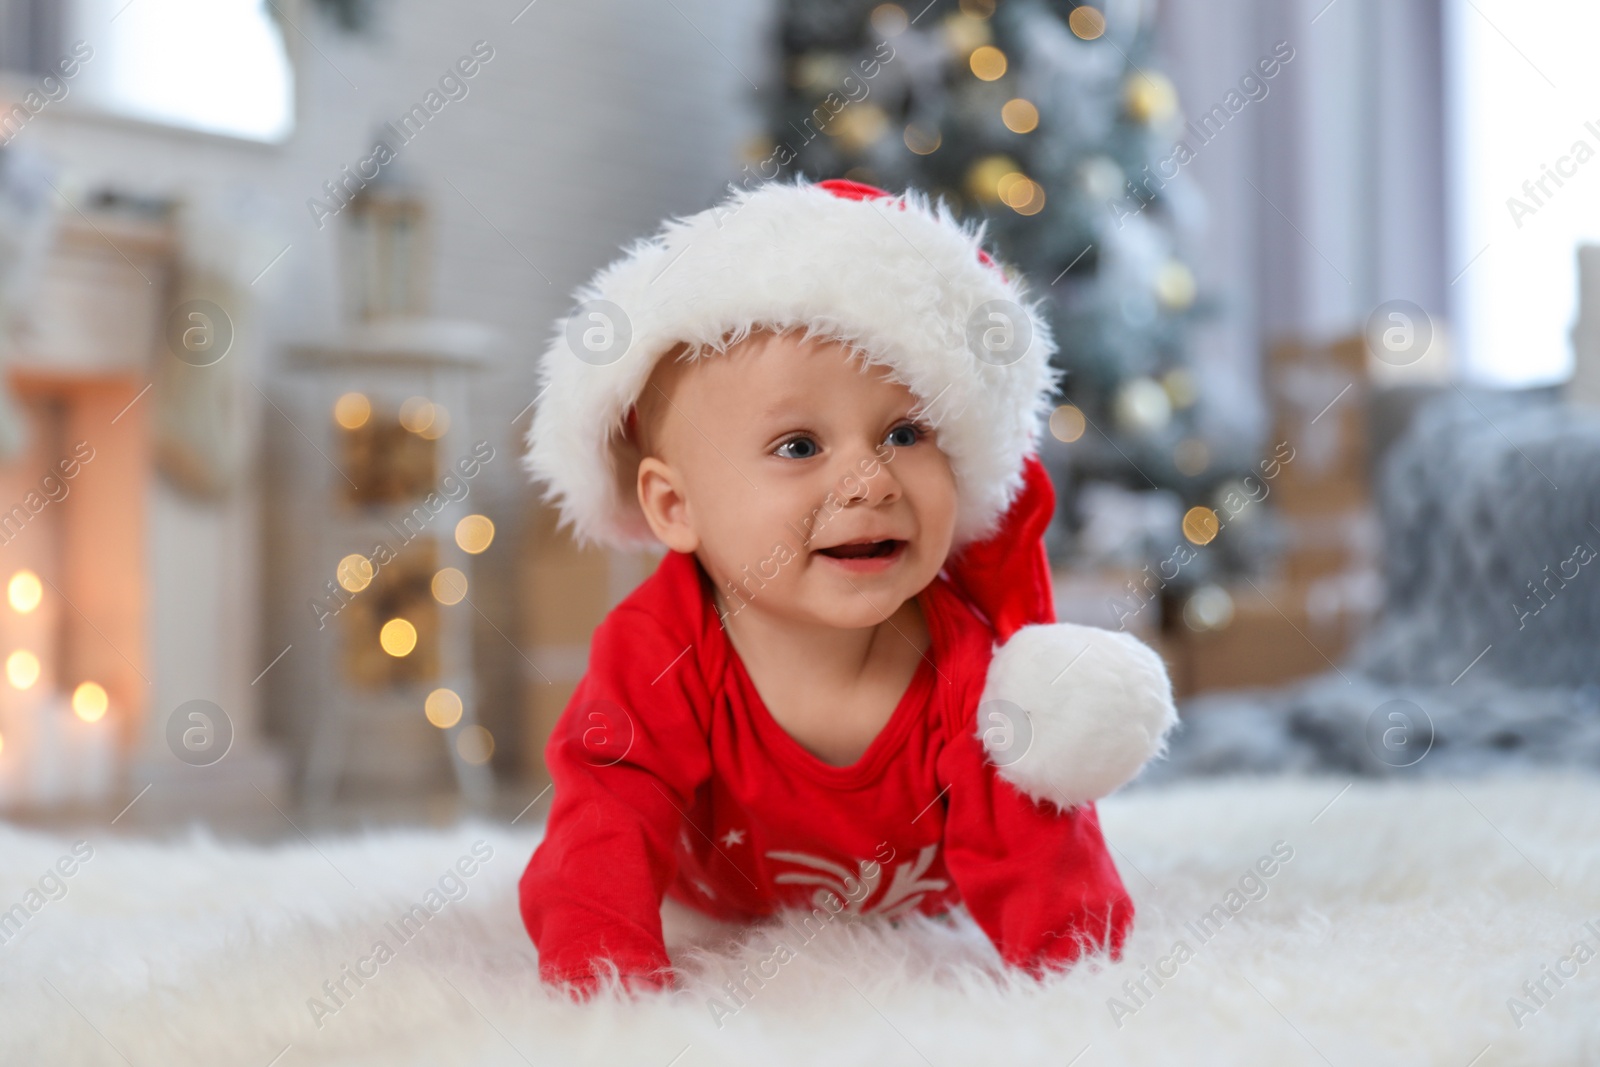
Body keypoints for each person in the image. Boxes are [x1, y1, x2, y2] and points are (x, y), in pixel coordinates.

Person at [518, 176, 1177, 998]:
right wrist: (604, 986)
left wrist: (1083, 987)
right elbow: (603, 818)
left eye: (905, 431)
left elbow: (1046, 874)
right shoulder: (659, 647)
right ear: (674, 505)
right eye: (798, 446)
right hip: (716, 899)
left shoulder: (964, 666)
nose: (869, 481)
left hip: (914, 910)